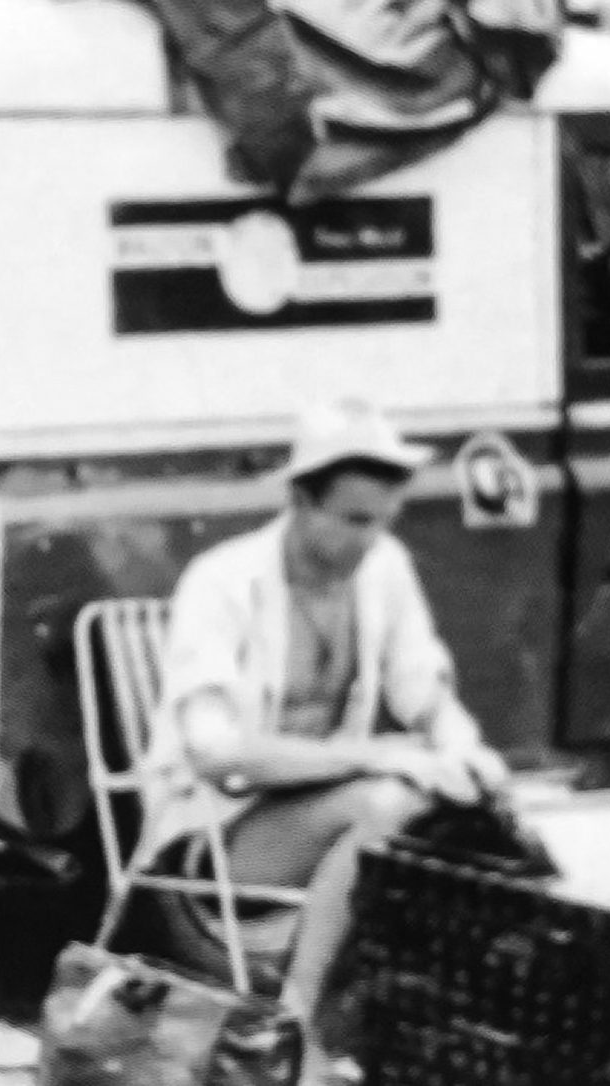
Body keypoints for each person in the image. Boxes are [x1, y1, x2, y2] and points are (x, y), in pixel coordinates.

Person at [139, 398, 508, 1083]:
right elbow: (216, 753)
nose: (370, 538)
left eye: (384, 520)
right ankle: (297, 1023)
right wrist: (374, 754)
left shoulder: (383, 568)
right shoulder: (224, 581)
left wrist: (465, 748)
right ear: (301, 500)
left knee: (467, 810)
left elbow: (423, 689)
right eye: (354, 520)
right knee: (387, 803)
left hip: (320, 827)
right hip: (212, 849)